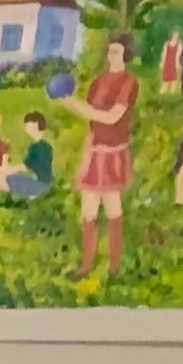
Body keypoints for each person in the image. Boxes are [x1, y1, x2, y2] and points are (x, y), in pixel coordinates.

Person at [60, 35, 140, 277]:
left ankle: (114, 266)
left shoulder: (128, 82)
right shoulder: (98, 81)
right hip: (95, 149)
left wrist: (74, 105)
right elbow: (92, 123)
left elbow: (112, 117)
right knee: (88, 209)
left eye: (117, 52)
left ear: (126, 55)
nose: (112, 56)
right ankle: (86, 265)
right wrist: (87, 152)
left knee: (112, 206)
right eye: (110, 51)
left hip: (113, 151)